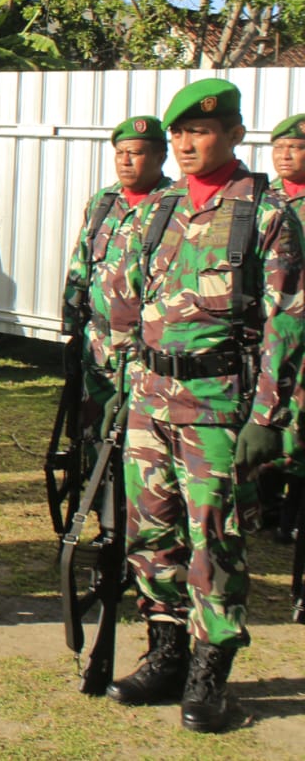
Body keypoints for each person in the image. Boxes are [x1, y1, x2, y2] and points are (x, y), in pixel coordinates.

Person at [102, 79, 304, 732]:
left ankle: (209, 675)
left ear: (236, 134)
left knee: (214, 542)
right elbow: (123, 304)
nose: (188, 144)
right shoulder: (157, 210)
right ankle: (165, 653)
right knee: (150, 534)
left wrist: (271, 418)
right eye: (180, 134)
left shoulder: (266, 215)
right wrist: (120, 383)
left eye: (203, 132)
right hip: (148, 403)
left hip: (218, 409)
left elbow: (289, 324)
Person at [60, 116, 171, 482]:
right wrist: (71, 329)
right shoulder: (103, 203)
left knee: (140, 443)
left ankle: (130, 522)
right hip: (98, 346)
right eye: (120, 153)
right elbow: (80, 265)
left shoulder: (172, 208)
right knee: (93, 433)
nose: (125, 161)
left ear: (160, 156)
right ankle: (104, 518)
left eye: (136, 153)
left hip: (143, 352)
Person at [263, 113, 305, 540]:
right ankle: (268, 502)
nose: (286, 155)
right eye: (280, 148)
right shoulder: (265, 203)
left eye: (295, 147)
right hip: (277, 333)